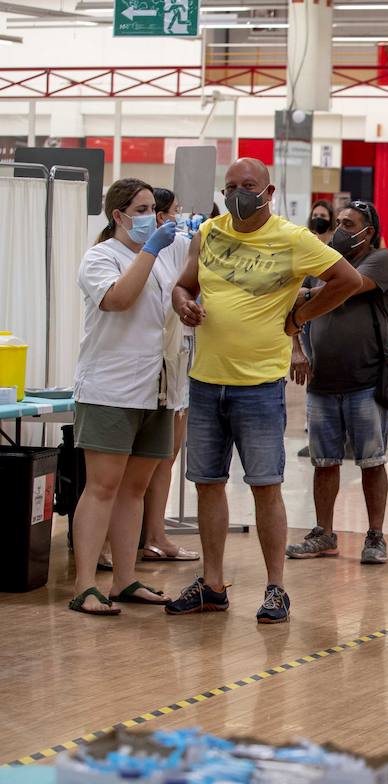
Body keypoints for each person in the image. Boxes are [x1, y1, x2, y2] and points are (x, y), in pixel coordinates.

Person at [167, 158, 363, 624]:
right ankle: (212, 584)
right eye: (231, 186)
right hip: (206, 379)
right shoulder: (209, 233)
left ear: (268, 191)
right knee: (208, 484)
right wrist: (183, 305)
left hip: (258, 385)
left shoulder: (292, 239)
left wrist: (299, 318)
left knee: (264, 486)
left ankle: (276, 588)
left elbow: (347, 280)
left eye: (248, 186)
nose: (238, 193)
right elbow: (184, 285)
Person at [68, 179, 182, 615]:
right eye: (141, 209)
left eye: (154, 208)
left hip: (155, 389)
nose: (151, 216)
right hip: (109, 388)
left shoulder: (159, 259)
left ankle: (124, 579)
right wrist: (152, 248)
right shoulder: (100, 258)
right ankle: (84, 585)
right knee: (103, 487)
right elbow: (118, 299)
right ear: (118, 216)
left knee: (135, 489)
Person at [285, 201, 388, 565]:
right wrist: (297, 349)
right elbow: (290, 311)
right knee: (324, 462)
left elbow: (348, 286)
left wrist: (305, 294)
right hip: (322, 381)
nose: (339, 229)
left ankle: (375, 536)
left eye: (348, 224)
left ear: (368, 231)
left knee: (372, 461)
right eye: (338, 222)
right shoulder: (318, 262)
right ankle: (324, 534)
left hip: (366, 380)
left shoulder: (381, 261)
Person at [139, 187, 199, 564]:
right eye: (173, 212)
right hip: (148, 370)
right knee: (137, 464)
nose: (179, 220)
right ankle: (129, 539)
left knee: (167, 457)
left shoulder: (178, 248)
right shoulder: (141, 256)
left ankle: (156, 534)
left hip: (178, 366)